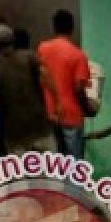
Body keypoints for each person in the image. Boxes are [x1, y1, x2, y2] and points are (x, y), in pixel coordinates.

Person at [0, 25, 59, 155]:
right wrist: (58, 101)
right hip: (40, 127)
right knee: (50, 169)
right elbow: (46, 75)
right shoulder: (29, 57)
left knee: (20, 173)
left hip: (14, 134)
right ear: (12, 41)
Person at [37, 9, 90, 159]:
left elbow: (40, 77)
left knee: (53, 164)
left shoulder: (42, 49)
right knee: (74, 165)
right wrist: (87, 107)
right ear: (72, 28)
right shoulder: (78, 55)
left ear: (54, 27)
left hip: (49, 114)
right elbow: (79, 89)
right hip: (72, 115)